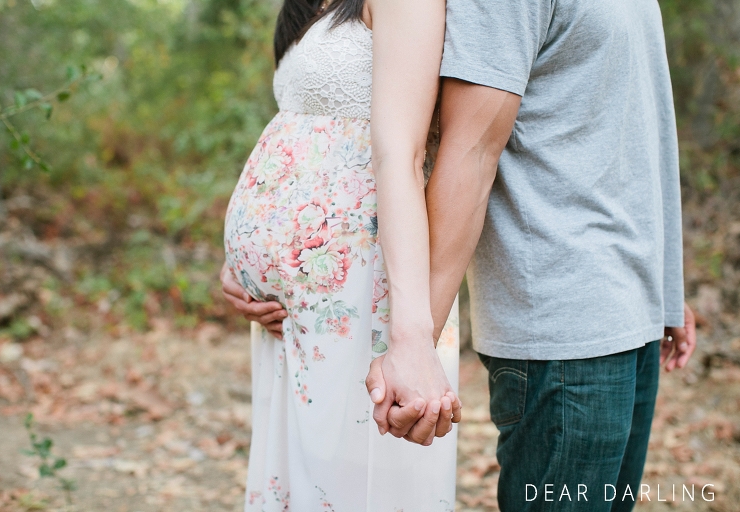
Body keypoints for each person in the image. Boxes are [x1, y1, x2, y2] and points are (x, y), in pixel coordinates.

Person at [234, 0, 700, 511]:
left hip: (604, 307)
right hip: (567, 313)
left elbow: (638, 121)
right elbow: (469, 149)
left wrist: (667, 285)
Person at [220, 0, 461, 508]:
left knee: (352, 474)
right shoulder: (313, 5)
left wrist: (412, 333)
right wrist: (246, 258)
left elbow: (402, 153)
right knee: (305, 469)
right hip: (294, 312)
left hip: (367, 282)